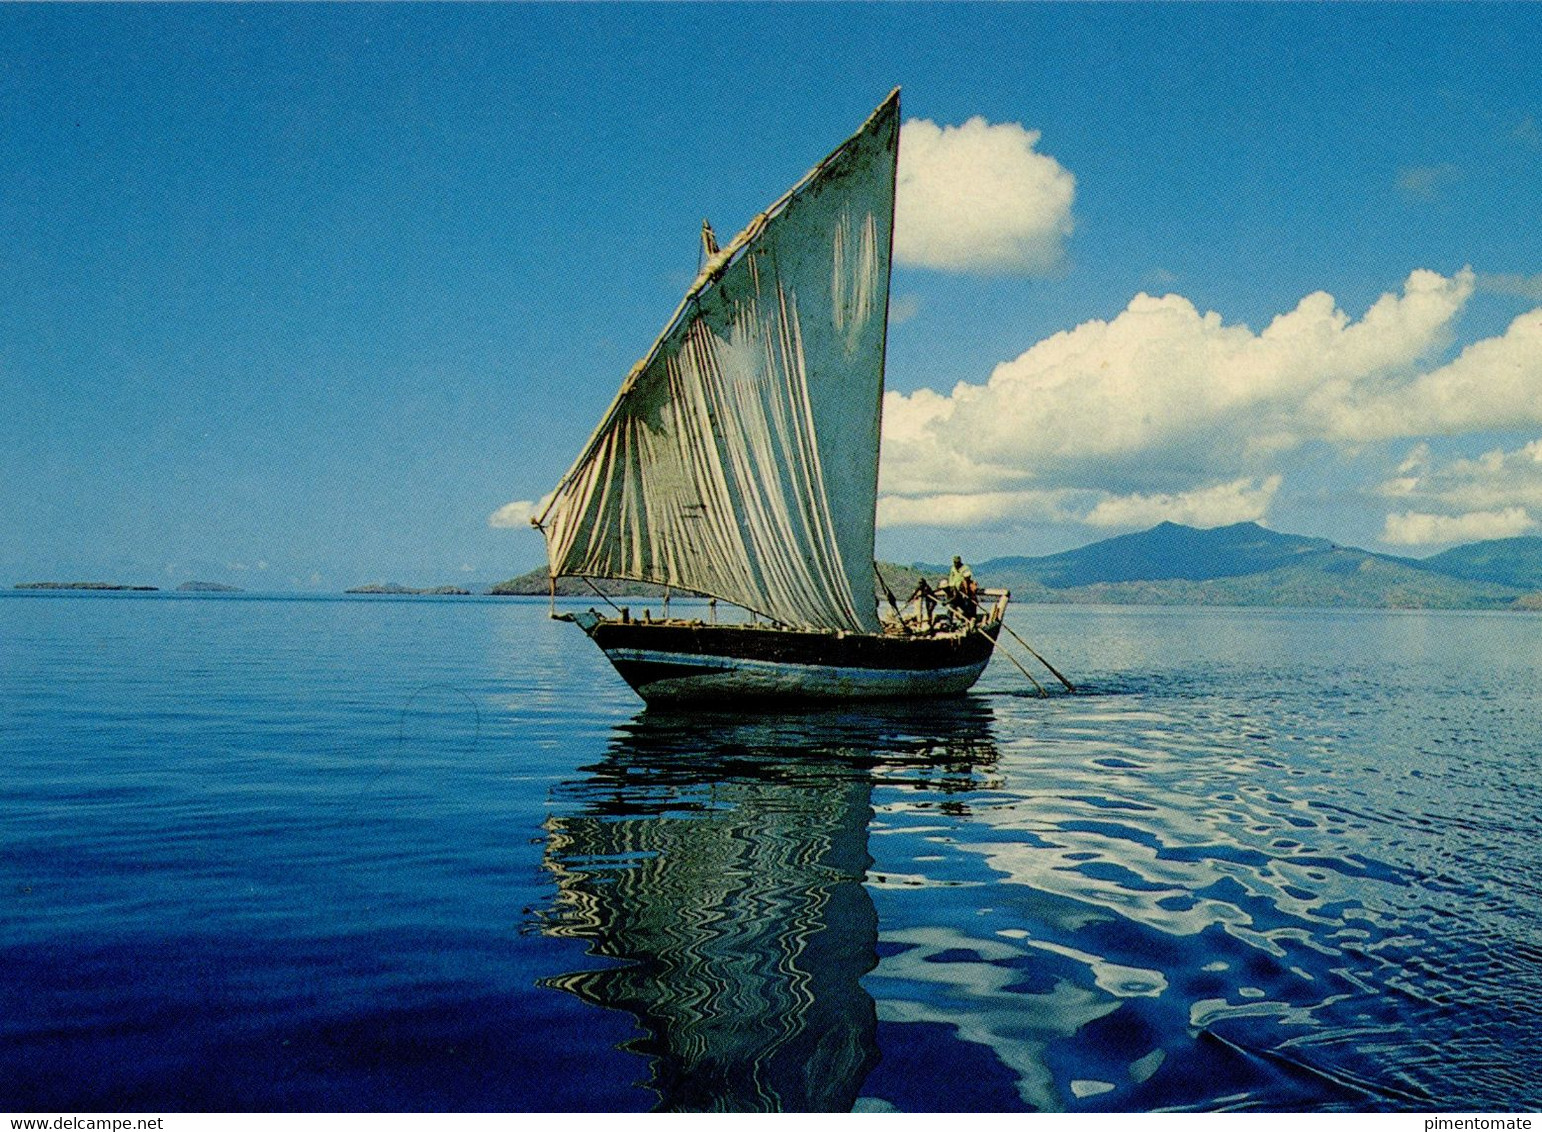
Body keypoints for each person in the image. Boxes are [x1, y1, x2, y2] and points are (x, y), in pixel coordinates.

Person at [945, 555, 979, 619]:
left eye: (957, 562)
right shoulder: (953, 568)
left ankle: (968, 618)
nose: (956, 564)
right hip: (954, 590)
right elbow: (951, 578)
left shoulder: (965, 568)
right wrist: (951, 587)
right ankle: (949, 622)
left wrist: (963, 588)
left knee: (967, 606)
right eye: (954, 562)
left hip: (963, 591)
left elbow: (967, 578)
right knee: (952, 606)